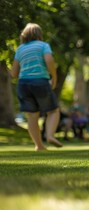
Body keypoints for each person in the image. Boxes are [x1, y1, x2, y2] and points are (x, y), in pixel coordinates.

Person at [11, 23, 62, 151]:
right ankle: (50, 136)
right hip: (40, 81)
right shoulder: (43, 45)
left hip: (23, 84)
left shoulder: (20, 49)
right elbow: (49, 60)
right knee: (53, 111)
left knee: (32, 116)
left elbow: (14, 73)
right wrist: (54, 77)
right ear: (39, 34)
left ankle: (39, 145)